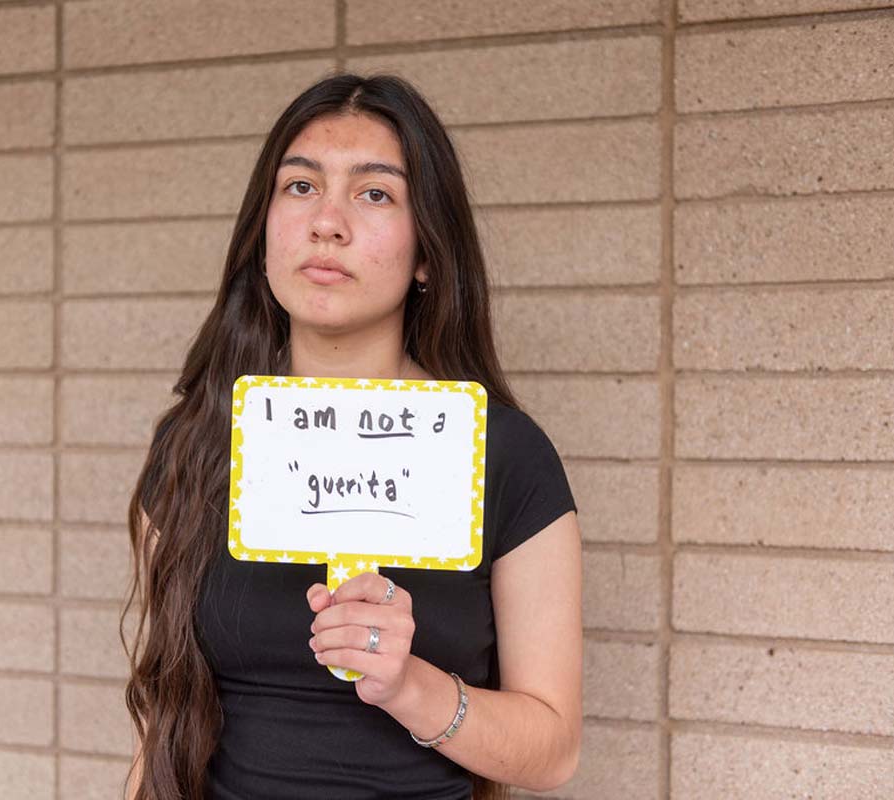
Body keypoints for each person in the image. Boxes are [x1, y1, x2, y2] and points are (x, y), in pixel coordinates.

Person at [121, 73, 582, 800]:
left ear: (428, 253)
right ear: (262, 234)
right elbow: (162, 732)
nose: (327, 221)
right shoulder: (198, 443)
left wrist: (409, 685)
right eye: (300, 187)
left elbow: (552, 751)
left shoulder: (504, 455)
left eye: (374, 194)